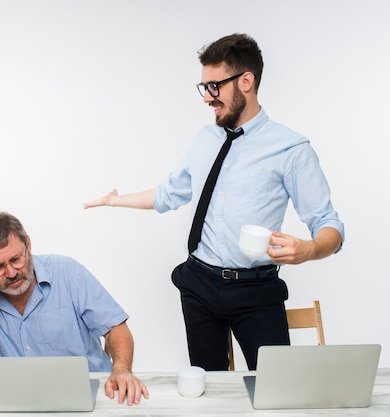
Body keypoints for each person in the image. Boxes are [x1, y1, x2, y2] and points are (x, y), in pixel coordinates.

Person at [83, 33, 344, 371]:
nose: (207, 98)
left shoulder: (291, 149)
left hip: (256, 290)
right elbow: (168, 194)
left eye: (214, 86)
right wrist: (116, 201)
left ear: (246, 81)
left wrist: (308, 249)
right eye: (203, 87)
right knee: (208, 388)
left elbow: (329, 225)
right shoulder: (205, 139)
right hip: (199, 284)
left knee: (277, 387)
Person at [0, 212, 148, 406]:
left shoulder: (68, 272)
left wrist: (121, 369)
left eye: (16, 259)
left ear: (28, 245)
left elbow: (115, 327)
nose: (11, 273)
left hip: (92, 397)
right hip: (18, 401)